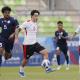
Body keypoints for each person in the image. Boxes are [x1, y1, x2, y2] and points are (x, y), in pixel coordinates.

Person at [15, 10, 54, 77]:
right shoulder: (27, 22)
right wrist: (16, 38)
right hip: (27, 45)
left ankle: (47, 68)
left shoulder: (36, 24)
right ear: (32, 16)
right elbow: (17, 29)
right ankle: (21, 70)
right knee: (25, 60)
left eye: (37, 16)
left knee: (46, 52)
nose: (37, 17)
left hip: (35, 44)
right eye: (35, 16)